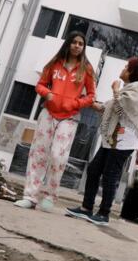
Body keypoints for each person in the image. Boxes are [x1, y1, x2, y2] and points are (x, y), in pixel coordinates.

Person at [15, 31, 96, 210]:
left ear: (84, 47)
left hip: (70, 117)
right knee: (38, 154)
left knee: (58, 156)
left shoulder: (87, 69)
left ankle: (50, 196)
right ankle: (30, 197)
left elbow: (91, 96)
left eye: (80, 44)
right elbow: (40, 85)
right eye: (74, 42)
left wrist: (76, 103)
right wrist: (48, 94)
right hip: (48, 113)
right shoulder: (54, 63)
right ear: (68, 43)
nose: (77, 46)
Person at [66, 57, 138, 226]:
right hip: (113, 140)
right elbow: (108, 107)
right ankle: (86, 208)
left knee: (110, 175)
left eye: (126, 67)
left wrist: (115, 90)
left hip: (123, 141)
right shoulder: (129, 89)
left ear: (132, 72)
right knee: (95, 169)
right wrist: (86, 101)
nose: (123, 69)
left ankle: (104, 214)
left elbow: (122, 107)